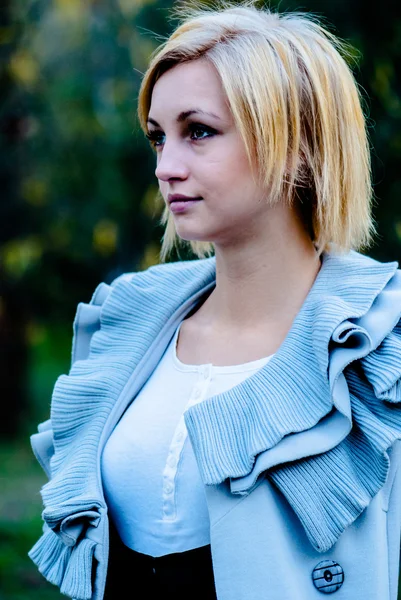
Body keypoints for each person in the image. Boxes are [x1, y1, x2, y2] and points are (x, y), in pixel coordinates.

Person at [28, 2, 401, 599]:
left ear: (298, 144)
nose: (166, 167)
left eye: (198, 131)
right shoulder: (130, 325)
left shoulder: (379, 346)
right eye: (157, 137)